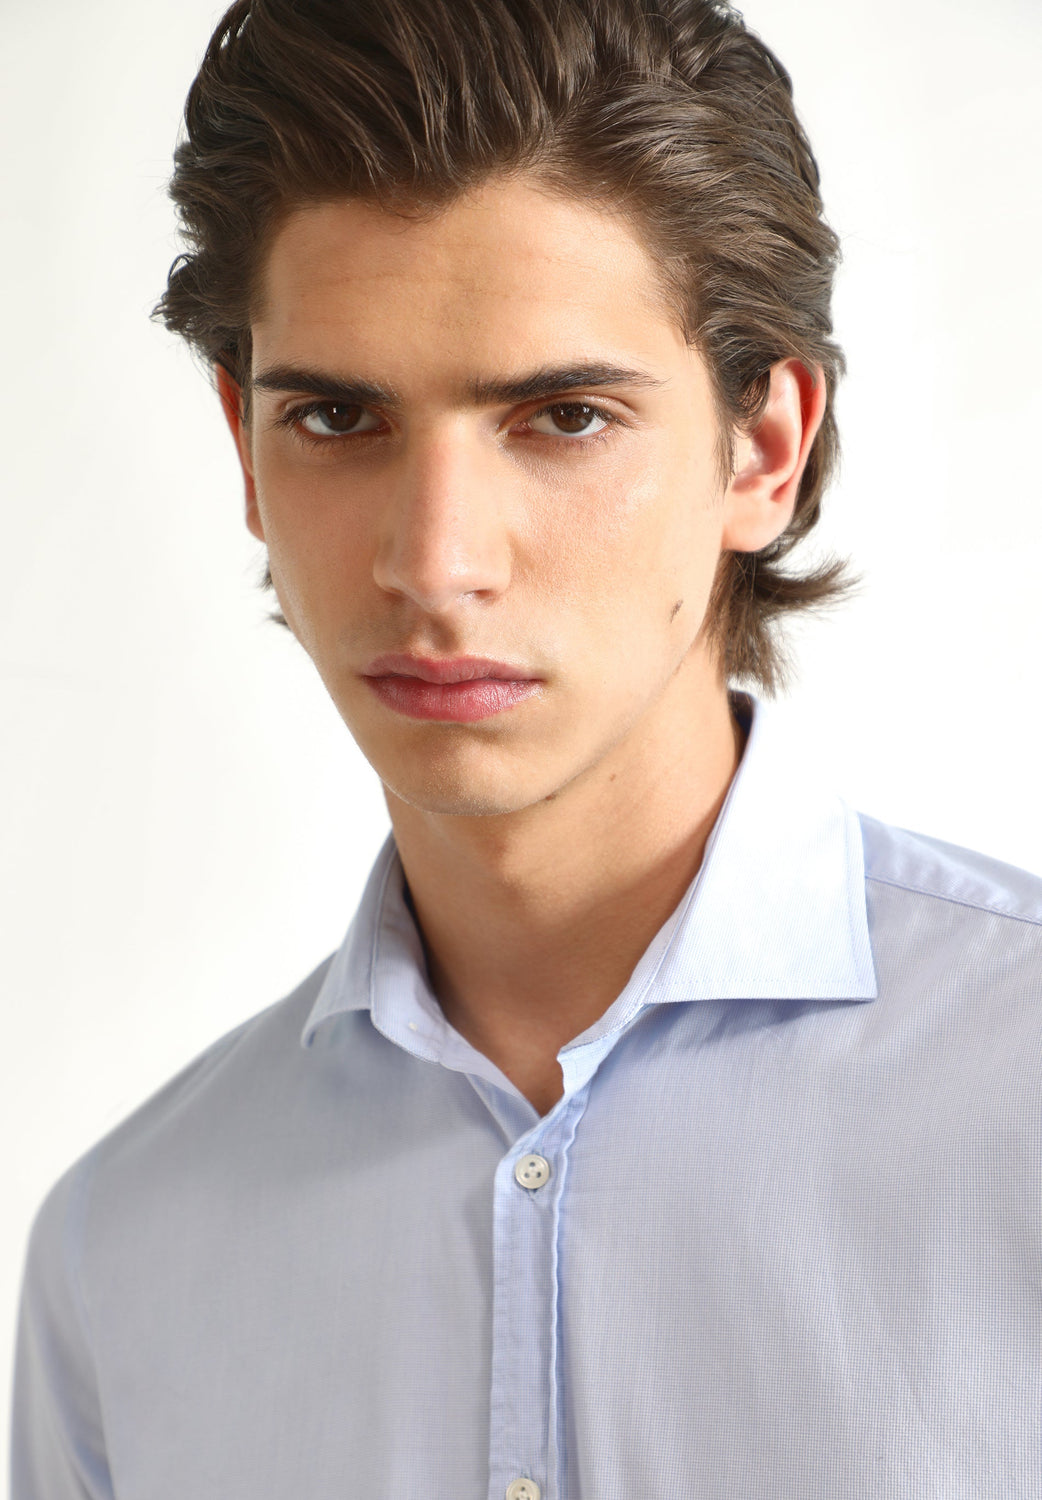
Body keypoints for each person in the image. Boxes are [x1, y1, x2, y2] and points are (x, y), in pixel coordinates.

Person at [11, 0, 1041, 1495]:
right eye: (337, 418)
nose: (435, 564)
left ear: (763, 448)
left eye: (562, 417)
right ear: (244, 448)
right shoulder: (125, 1254)